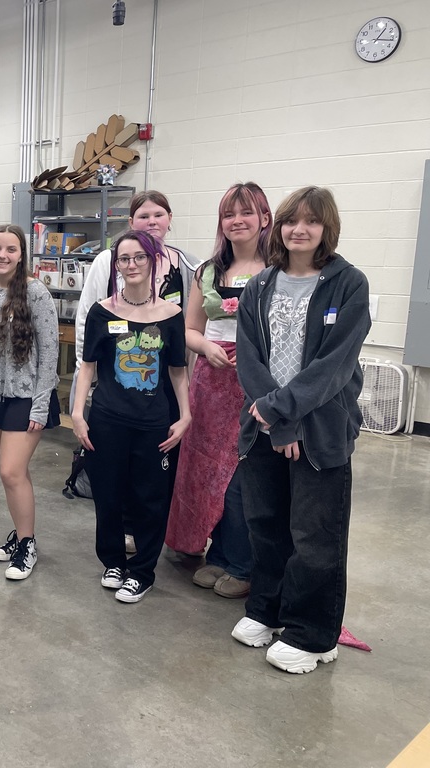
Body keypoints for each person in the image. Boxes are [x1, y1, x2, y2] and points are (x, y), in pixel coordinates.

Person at [230, 186, 369, 674]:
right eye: (291, 221)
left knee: (315, 533)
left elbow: (333, 367)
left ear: (327, 229)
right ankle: (267, 610)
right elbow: (248, 358)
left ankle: (313, 633)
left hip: (319, 430)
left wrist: (286, 417)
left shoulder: (348, 284)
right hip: (265, 424)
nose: (299, 230)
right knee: (266, 524)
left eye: (311, 222)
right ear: (280, 227)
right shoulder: (260, 285)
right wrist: (275, 419)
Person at [71, 230, 191, 603]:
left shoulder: (171, 315)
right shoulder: (102, 312)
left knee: (149, 500)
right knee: (107, 495)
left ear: (153, 261)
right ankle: (112, 562)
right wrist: (77, 412)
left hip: (153, 423)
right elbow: (87, 366)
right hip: (107, 419)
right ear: (116, 265)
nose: (132, 265)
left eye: (139, 257)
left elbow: (177, 371)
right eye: (124, 259)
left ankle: (142, 571)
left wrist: (185, 416)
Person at [167, 182, 272, 599]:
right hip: (211, 382)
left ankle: (244, 565)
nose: (237, 221)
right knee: (206, 471)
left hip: (255, 382)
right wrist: (207, 346)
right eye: (229, 214)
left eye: (246, 212)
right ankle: (218, 556)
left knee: (243, 474)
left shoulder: (277, 271)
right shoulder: (208, 271)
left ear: (264, 217)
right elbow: (188, 329)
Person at [0, 224, 60, 581]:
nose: (2, 255)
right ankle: (21, 535)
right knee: (14, 475)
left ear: (22, 254)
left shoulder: (37, 293)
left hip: (27, 396)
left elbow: (51, 350)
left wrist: (41, 403)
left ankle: (27, 544)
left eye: (10, 249)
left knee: (10, 470)